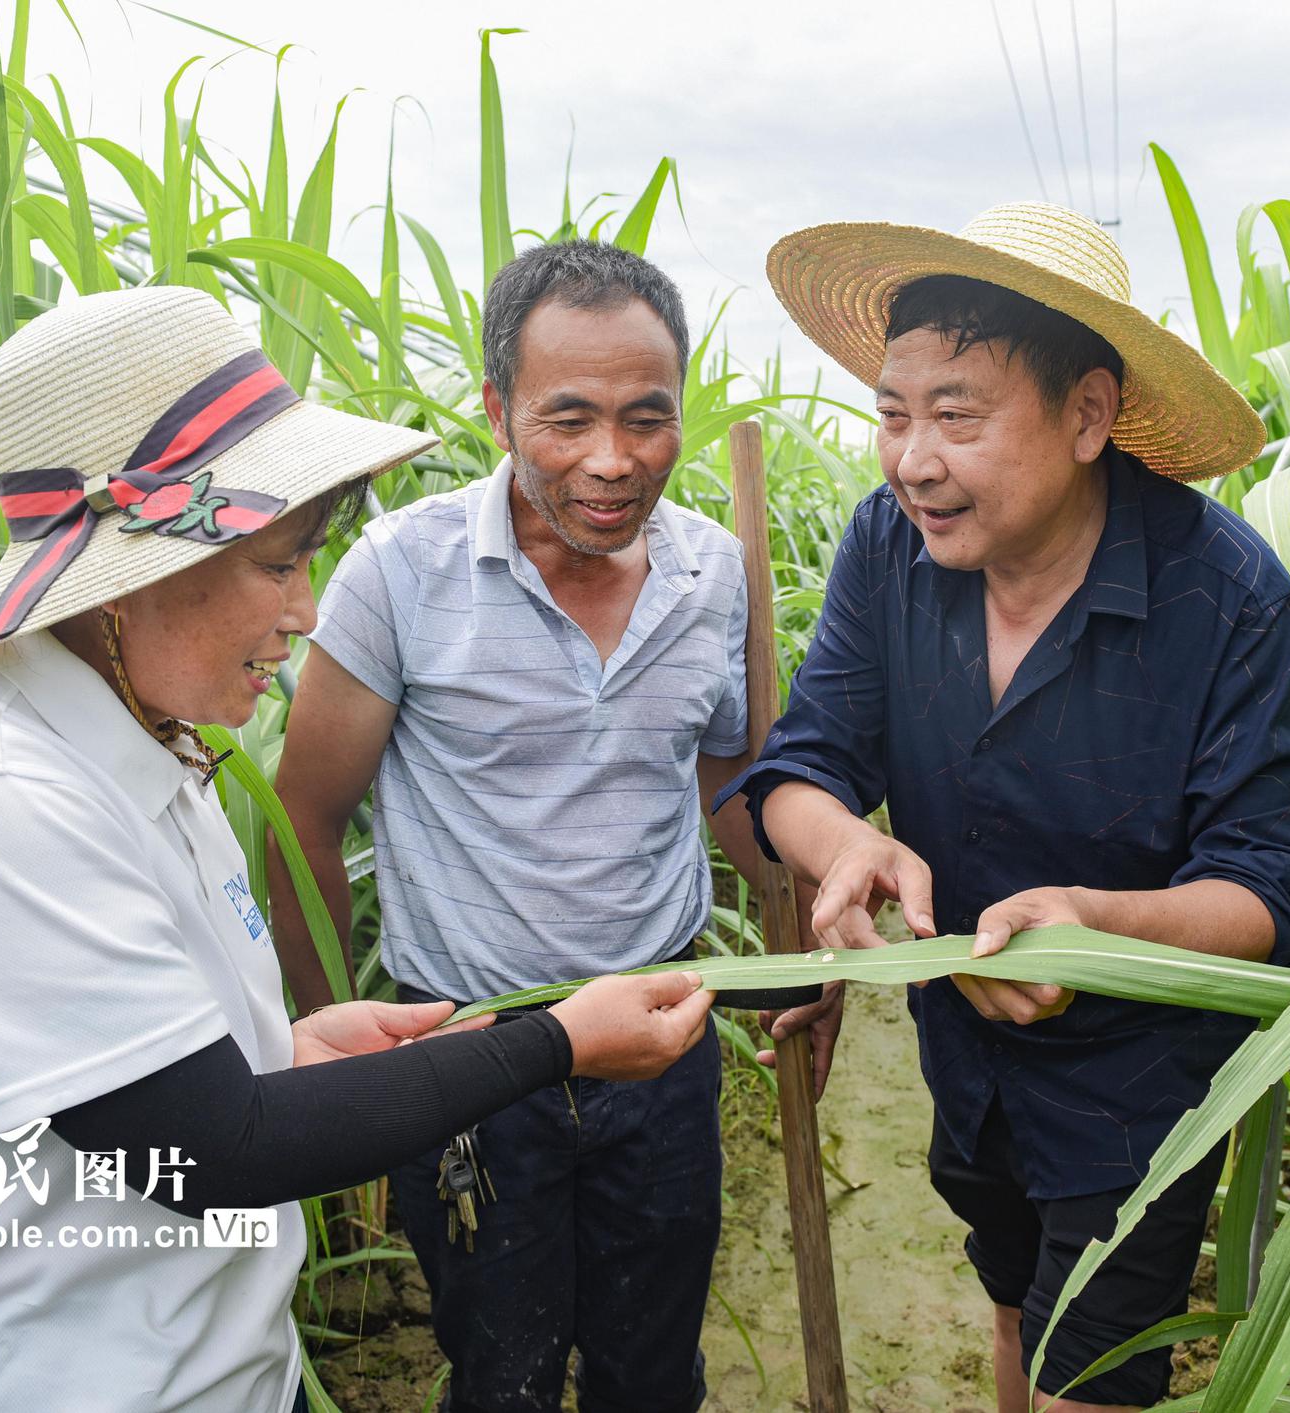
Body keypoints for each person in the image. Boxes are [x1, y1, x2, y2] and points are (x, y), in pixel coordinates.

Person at [0, 286, 716, 1413]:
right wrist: (555, 1041)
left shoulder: (141, 748)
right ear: (132, 571)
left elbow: (149, 1072)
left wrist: (290, 1045)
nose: (308, 612)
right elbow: (211, 1148)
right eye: (278, 565)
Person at [723, 204, 1290, 1412]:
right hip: (968, 1052)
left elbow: (1268, 892)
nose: (911, 461)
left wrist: (1090, 922)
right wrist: (842, 846)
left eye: (955, 415)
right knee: (1008, 1301)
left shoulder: (1226, 603)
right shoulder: (886, 550)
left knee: (1087, 1377)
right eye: (893, 416)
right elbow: (799, 769)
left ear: (1088, 416)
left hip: (1138, 1086)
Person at [270, 241, 774, 1413]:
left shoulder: (713, 575)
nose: (612, 460)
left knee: (654, 1373)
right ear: (497, 409)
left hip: (661, 1042)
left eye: (647, 419)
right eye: (568, 419)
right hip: (469, 1059)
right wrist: (319, 1061)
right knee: (501, 1373)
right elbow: (305, 821)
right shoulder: (403, 571)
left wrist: (812, 918)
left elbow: (733, 788)